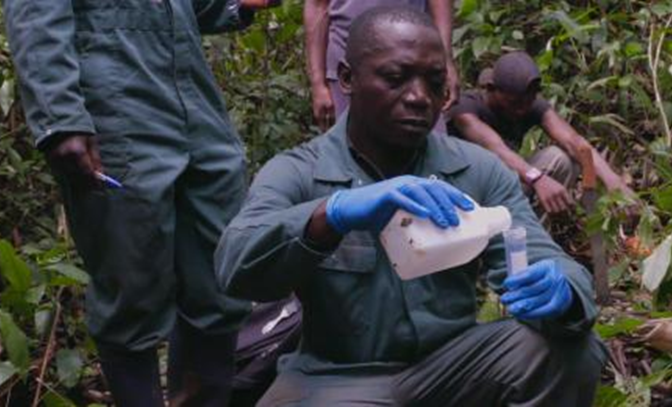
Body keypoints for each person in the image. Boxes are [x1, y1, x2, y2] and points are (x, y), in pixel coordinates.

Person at [216, 6, 607, 406]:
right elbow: (235, 265)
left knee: (570, 351)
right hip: (337, 377)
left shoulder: (476, 170)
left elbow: (541, 254)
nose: (420, 97)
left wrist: (564, 291)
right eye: (395, 78)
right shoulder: (299, 171)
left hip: (454, 367)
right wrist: (329, 215)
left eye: (435, 83)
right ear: (348, 78)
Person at [4, 1, 275, 406]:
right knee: (130, 288)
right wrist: (59, 118)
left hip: (195, 107)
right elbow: (35, 11)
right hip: (115, 110)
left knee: (220, 276)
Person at [448, 51, 634, 216]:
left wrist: (613, 181)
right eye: (514, 103)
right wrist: (537, 178)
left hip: (504, 185)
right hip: (462, 194)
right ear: (491, 89)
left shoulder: (529, 104)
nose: (522, 109)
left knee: (561, 160)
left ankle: (534, 234)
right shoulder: (465, 108)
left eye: (528, 102)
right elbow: (497, 149)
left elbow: (573, 141)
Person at [304, 0, 458, 131]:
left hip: (414, 61)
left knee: (429, 145)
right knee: (353, 148)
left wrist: (446, 61)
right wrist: (318, 84)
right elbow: (318, 6)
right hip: (348, 63)